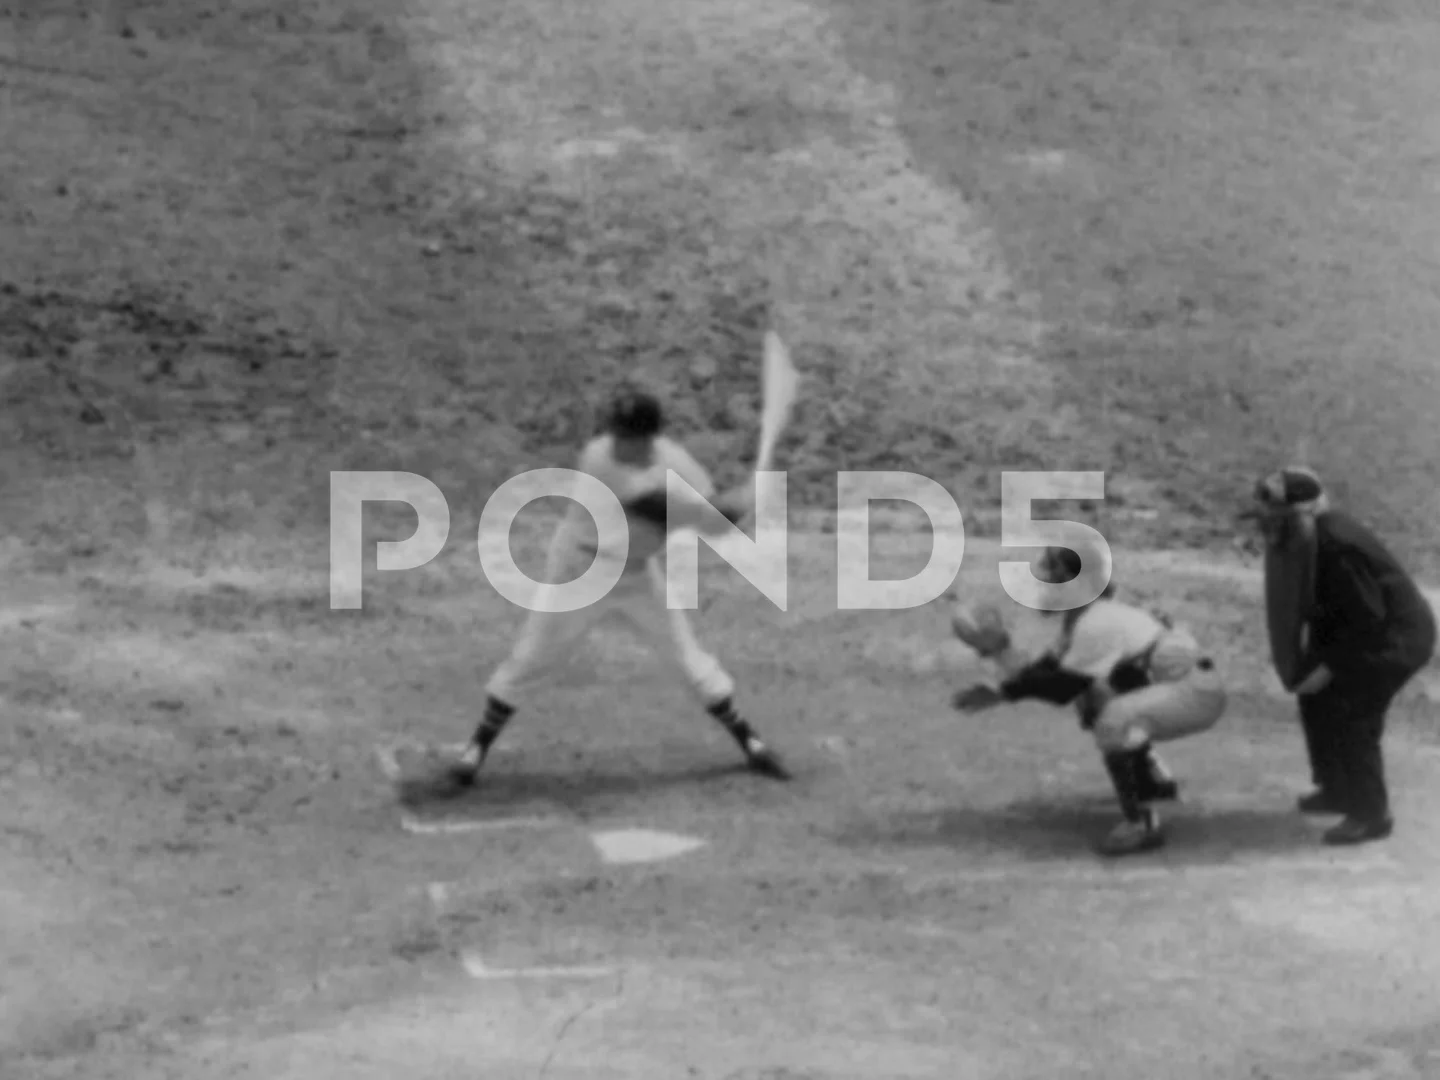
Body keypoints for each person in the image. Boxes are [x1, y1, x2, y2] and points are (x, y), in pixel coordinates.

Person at [404, 383, 790, 802]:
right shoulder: (601, 462)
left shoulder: (674, 461)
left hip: (638, 574)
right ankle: (473, 754)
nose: (615, 442)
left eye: (625, 436)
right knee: (533, 657)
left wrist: (737, 506)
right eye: (615, 432)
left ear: (648, 437)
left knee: (687, 656)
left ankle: (750, 744)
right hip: (581, 571)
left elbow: (714, 518)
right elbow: (685, 512)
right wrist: (744, 500)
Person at [950, 546, 1227, 856]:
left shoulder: (1097, 622)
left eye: (1055, 577)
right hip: (1177, 686)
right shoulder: (1083, 619)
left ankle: (1141, 823)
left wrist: (1005, 693)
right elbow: (1046, 672)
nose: (1045, 585)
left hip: (1194, 693)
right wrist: (1000, 650)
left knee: (1114, 720)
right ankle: (1149, 780)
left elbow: (1061, 688)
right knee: (1096, 696)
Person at [1248, 466, 1435, 845]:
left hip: (1393, 639)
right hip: (1356, 632)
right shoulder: (1309, 538)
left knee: (1354, 714)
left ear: (1302, 514)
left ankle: (1370, 814)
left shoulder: (1335, 546)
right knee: (1316, 699)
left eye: (1278, 519)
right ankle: (1337, 788)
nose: (1269, 527)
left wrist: (1331, 667)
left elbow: (1367, 618)